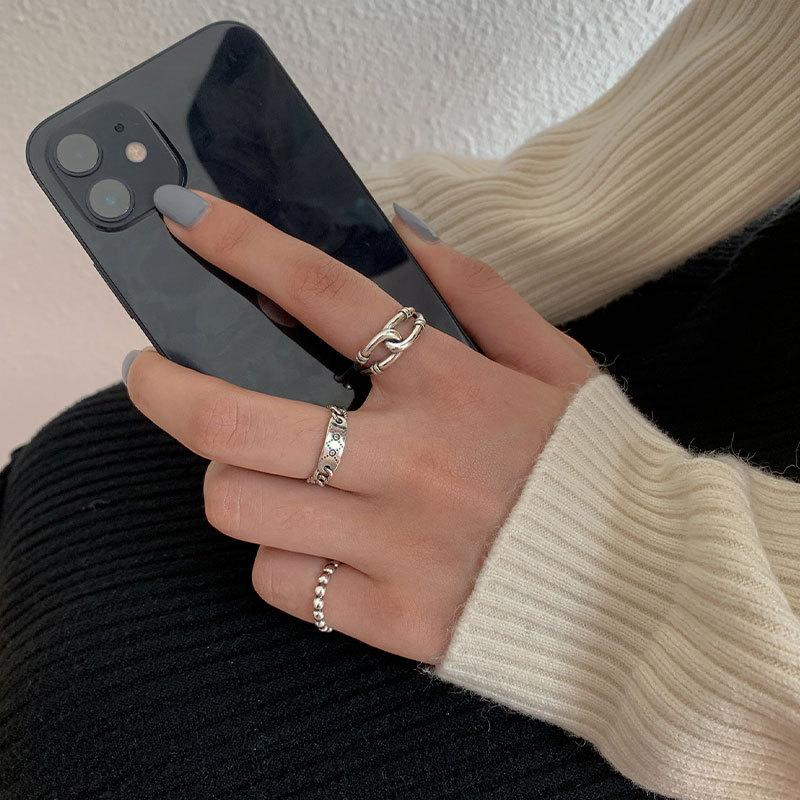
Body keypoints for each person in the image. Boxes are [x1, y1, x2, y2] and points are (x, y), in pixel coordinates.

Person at [2, 2, 799, 799]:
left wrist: (622, 558)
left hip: (725, 671)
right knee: (78, 465)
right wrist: (373, 262)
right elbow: (723, 105)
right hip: (641, 340)